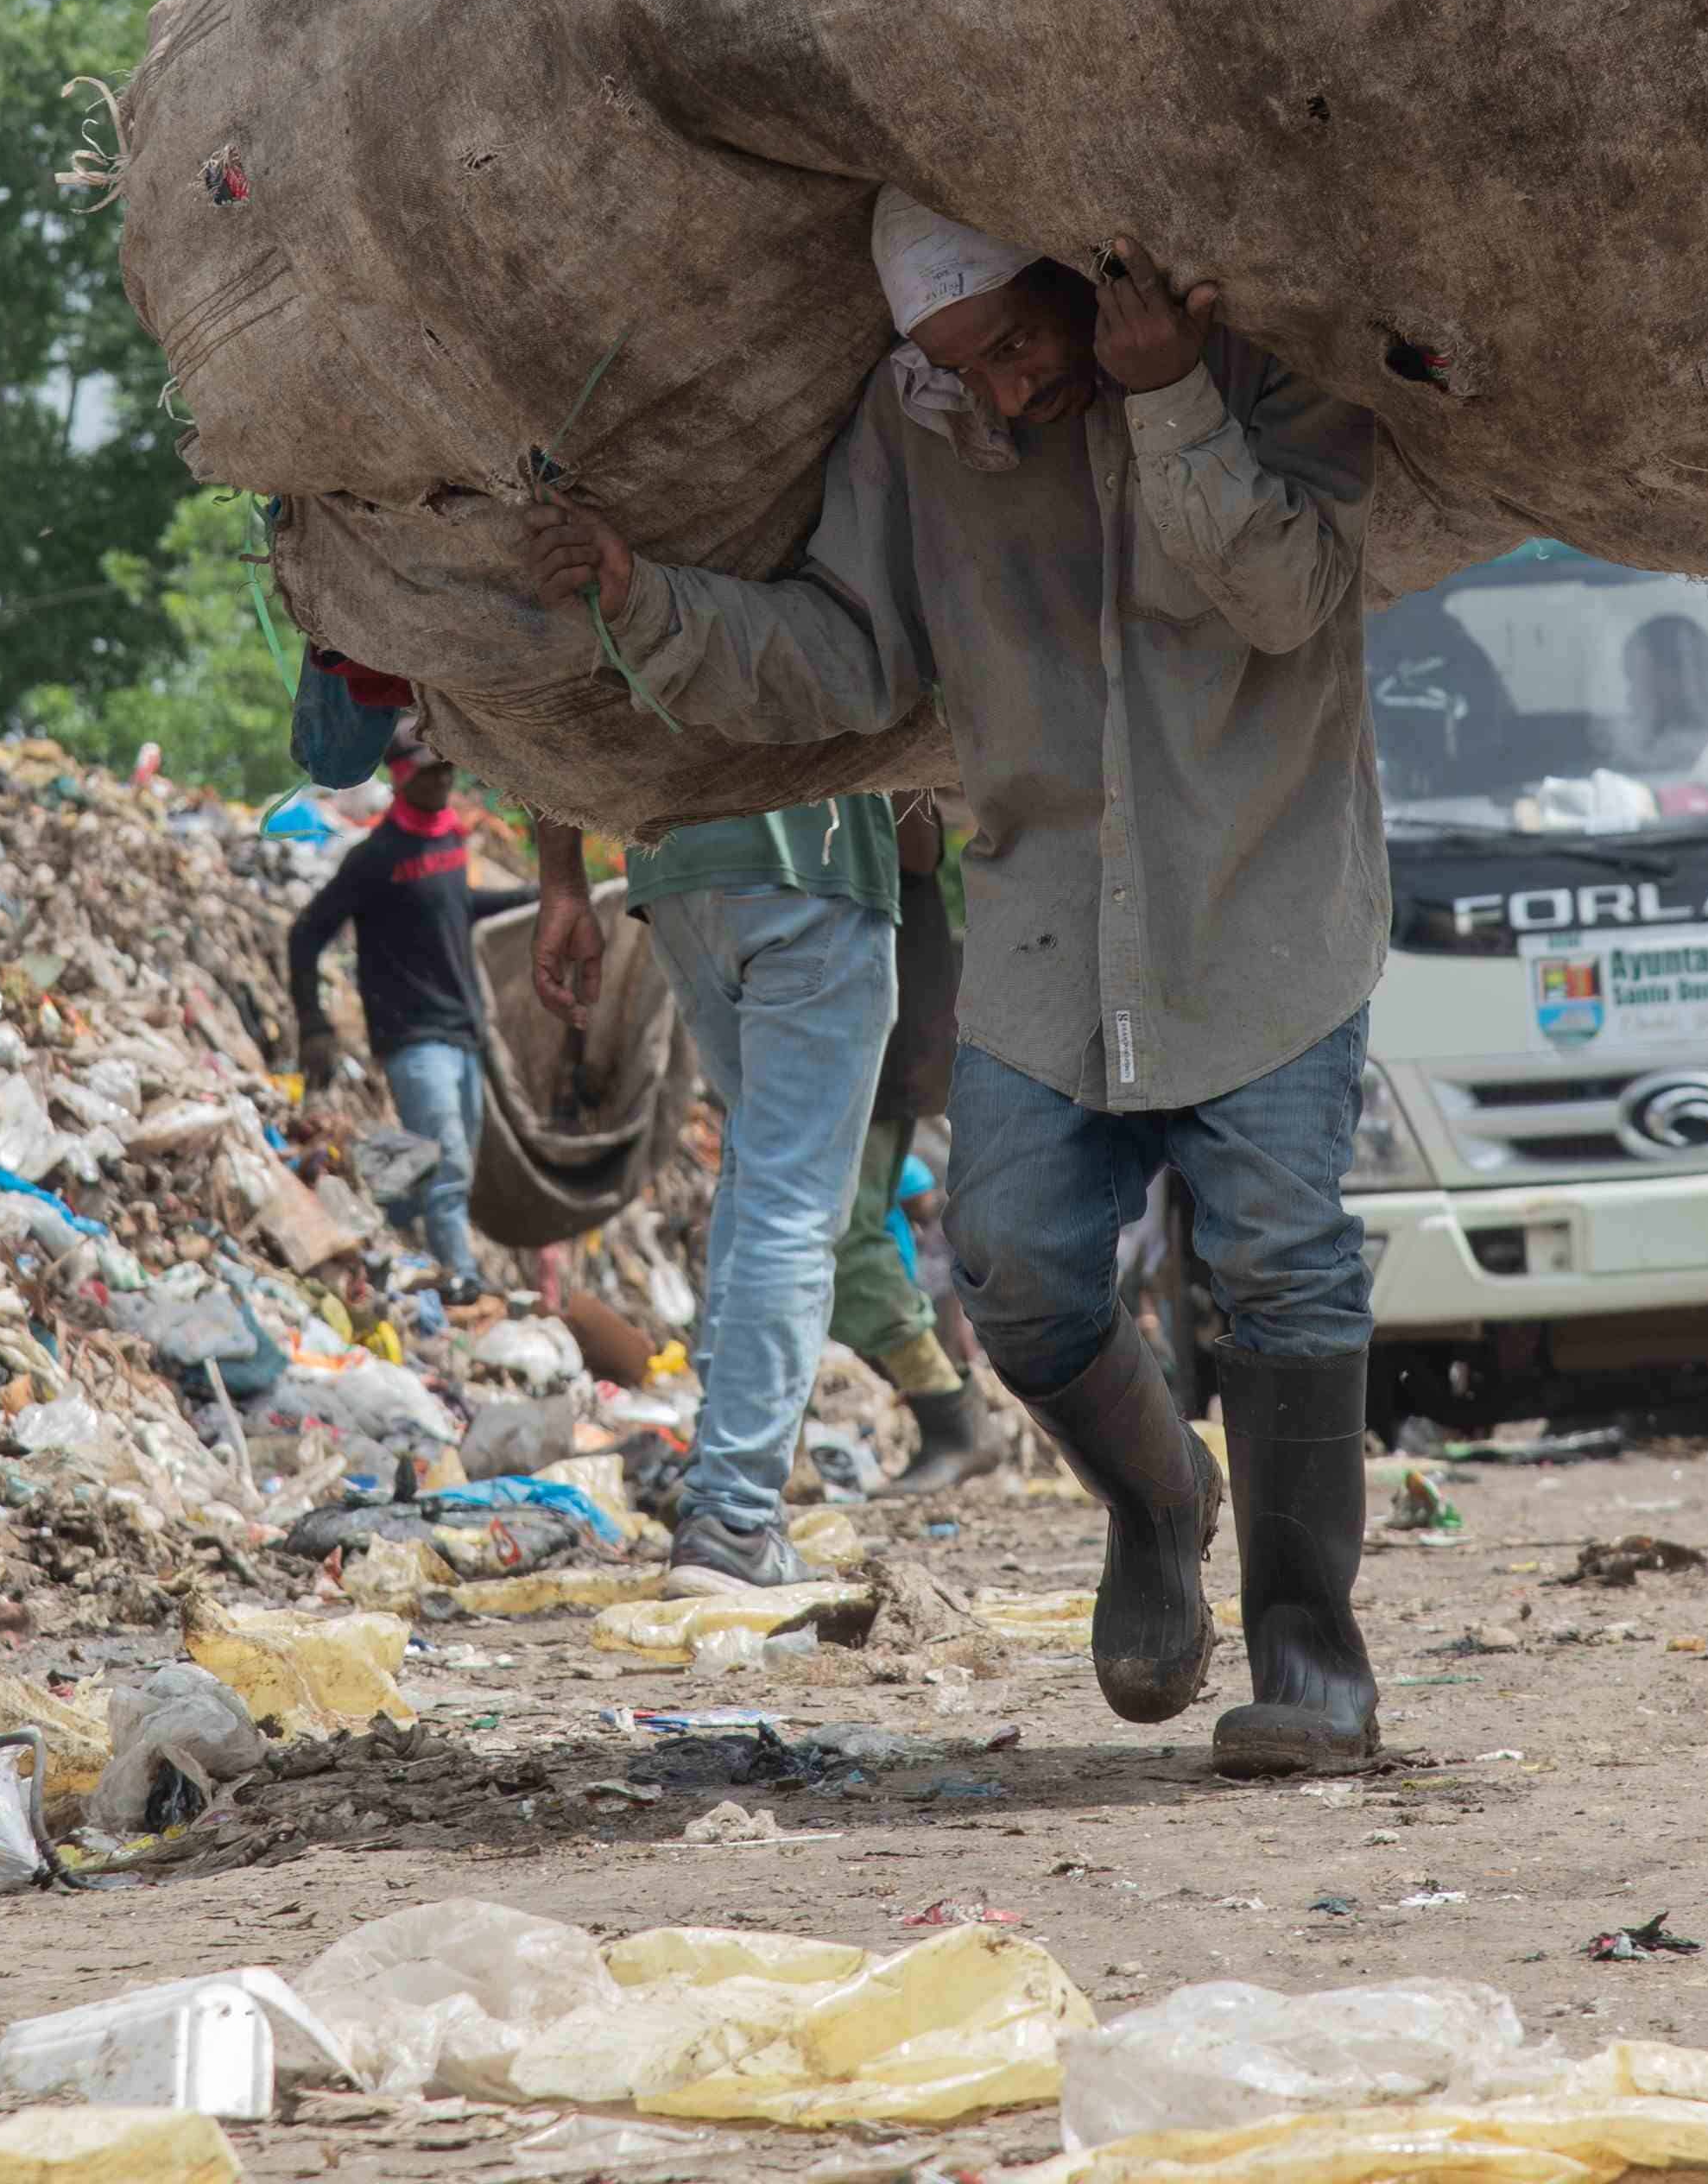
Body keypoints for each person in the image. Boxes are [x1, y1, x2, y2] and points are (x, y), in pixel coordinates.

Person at [521, 189, 1389, 1778]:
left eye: (1010, 342)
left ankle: (1308, 1668)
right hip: (1049, 933)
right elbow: (850, 658)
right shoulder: (918, 431)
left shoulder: (1267, 364)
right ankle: (1153, 1503)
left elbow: (1287, 593)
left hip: (1259, 906)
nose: (998, 388)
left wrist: (1167, 394)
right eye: (956, 362)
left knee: (1283, 1266)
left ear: (1074, 272)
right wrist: (647, 601)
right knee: (1009, 1260)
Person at [528, 789, 901, 1592]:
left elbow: (545, 687)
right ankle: (733, 1517)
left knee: (759, 1171)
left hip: (677, 876)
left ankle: (716, 1486)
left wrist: (560, 881)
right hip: (812, 869)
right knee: (794, 1202)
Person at [286, 729, 536, 1288]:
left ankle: (371, 1203)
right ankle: (462, 1283)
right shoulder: (375, 857)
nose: (445, 777)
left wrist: (533, 899)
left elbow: (454, 908)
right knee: (449, 1168)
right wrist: (314, 1023)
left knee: (442, 1165)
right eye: (430, 769)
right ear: (401, 776)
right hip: (412, 1035)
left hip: (463, 1030)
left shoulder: (446, 841)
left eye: (448, 765)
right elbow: (306, 934)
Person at [830, 795, 990, 1494]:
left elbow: (916, 848)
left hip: (876, 1036)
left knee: (844, 1237)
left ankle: (953, 1419)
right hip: (848, 1033)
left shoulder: (881, 754)